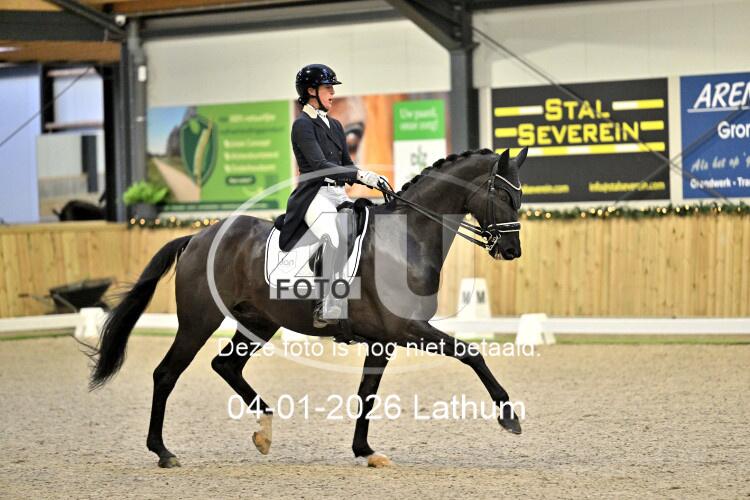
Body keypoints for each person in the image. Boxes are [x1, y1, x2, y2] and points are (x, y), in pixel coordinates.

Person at [278, 63, 381, 328]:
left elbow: (346, 163)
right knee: (334, 235)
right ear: (311, 91)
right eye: (328, 88)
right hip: (315, 194)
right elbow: (320, 165)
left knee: (365, 228)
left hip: (338, 193)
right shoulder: (302, 125)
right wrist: (360, 175)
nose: (333, 93)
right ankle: (325, 303)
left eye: (332, 88)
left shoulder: (335, 125)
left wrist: (370, 178)